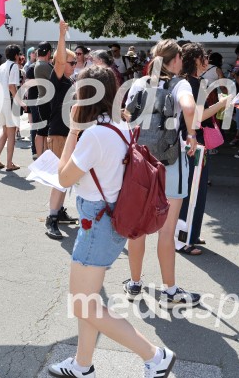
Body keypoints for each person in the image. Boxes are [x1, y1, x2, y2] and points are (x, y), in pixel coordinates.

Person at [48, 65, 177, 378]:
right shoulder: (119, 125)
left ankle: (154, 355)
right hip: (110, 217)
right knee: (88, 300)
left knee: (82, 304)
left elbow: (63, 177)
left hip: (96, 222)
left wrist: (74, 131)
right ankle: (82, 364)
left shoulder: (93, 135)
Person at [123, 39, 203, 305]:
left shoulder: (139, 83)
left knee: (138, 228)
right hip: (170, 162)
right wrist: (191, 134)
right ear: (177, 59)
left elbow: (126, 114)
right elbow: (190, 108)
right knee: (166, 232)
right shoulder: (180, 84)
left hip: (141, 163)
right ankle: (170, 291)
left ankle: (134, 283)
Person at [177, 43, 231, 251]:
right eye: (204, 57)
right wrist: (222, 104)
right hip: (192, 139)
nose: (207, 60)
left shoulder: (188, 82)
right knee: (191, 190)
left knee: (194, 189)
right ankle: (184, 238)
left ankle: (191, 234)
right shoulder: (192, 83)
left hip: (190, 138)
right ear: (195, 60)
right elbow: (198, 116)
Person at [45, 22, 78, 239]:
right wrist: (61, 34)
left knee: (66, 177)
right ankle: (52, 218)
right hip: (58, 133)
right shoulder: (56, 79)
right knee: (60, 179)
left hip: (67, 134)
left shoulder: (69, 81)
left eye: (76, 62)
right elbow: (58, 59)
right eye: (72, 62)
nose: (75, 65)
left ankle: (60, 211)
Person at [0, 44, 22, 171]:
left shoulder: (2, 66)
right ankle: (9, 163)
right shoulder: (14, 66)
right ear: (16, 55)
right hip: (8, 101)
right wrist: (19, 101)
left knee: (5, 132)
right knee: (11, 133)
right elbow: (11, 86)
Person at [32, 41, 54, 161]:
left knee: (44, 131)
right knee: (42, 131)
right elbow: (57, 78)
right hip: (45, 101)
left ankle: (43, 155)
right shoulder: (43, 65)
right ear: (49, 52)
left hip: (44, 100)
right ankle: (40, 156)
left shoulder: (41, 64)